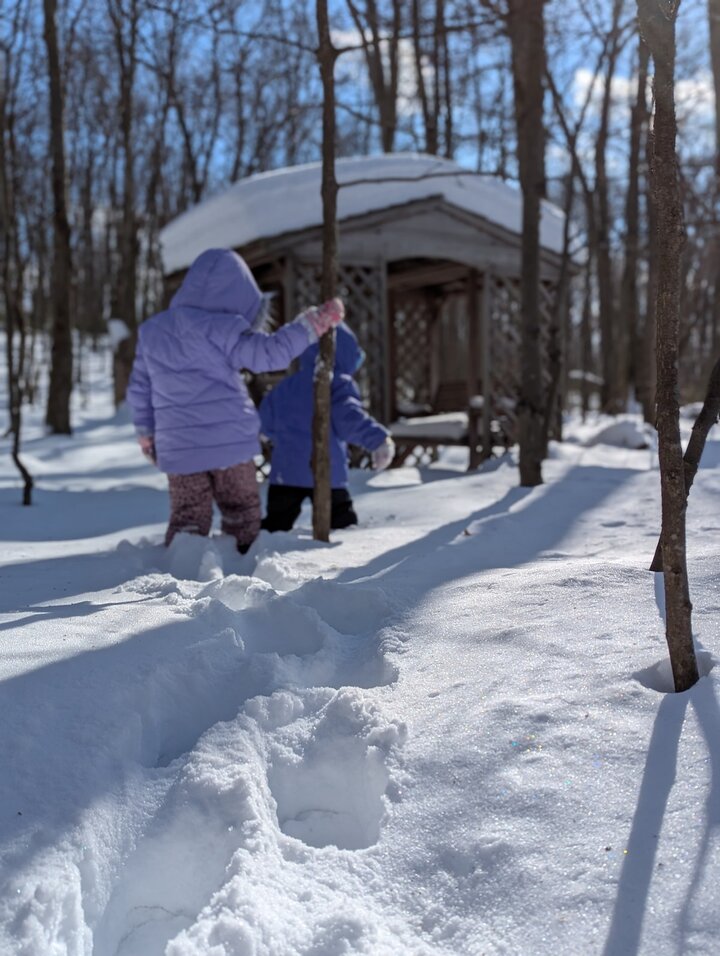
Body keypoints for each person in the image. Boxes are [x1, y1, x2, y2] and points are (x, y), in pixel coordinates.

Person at [126, 247, 344, 551]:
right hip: (231, 445)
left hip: (180, 447)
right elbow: (270, 354)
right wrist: (312, 325)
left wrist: (146, 435)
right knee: (242, 511)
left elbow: (139, 388)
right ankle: (242, 562)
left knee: (187, 516)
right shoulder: (223, 328)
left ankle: (182, 568)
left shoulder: (152, 332)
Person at [259, 322, 395, 532]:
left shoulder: (287, 385)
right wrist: (378, 439)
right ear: (346, 354)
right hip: (326, 471)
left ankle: (253, 550)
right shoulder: (337, 383)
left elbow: (266, 421)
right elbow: (348, 420)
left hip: (285, 472)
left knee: (276, 524)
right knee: (341, 522)